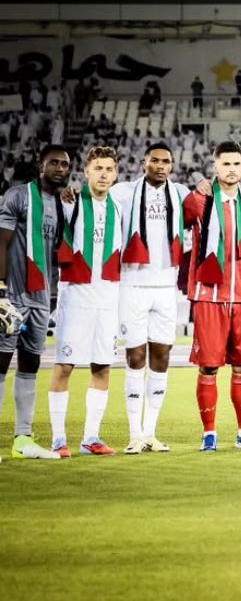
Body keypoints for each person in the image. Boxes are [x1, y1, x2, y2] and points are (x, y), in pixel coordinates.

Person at [183, 142, 241, 452]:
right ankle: (209, 434)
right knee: (209, 368)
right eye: (226, 164)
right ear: (215, 166)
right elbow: (171, 220)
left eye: (236, 164)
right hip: (210, 296)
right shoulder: (198, 200)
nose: (231, 169)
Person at [110, 143, 190, 454]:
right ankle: (134, 434)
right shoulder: (123, 192)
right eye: (154, 160)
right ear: (144, 162)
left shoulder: (181, 194)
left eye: (165, 161)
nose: (160, 166)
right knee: (135, 357)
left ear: (172, 165)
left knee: (162, 357)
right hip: (133, 285)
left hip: (166, 287)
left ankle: (150, 433)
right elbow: (95, 202)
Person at [46, 146, 122, 456]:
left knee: (102, 367)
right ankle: (58, 439)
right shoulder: (69, 203)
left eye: (109, 169)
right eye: (98, 168)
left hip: (108, 298)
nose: (103, 174)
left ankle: (91, 438)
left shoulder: (119, 208)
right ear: (86, 171)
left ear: (116, 174)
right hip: (76, 296)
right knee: (64, 365)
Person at [0, 145, 73, 460]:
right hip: (13, 295)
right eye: (53, 163)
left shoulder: (61, 205)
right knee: (1, 364)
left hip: (41, 297)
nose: (60, 169)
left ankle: (23, 439)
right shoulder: (17, 196)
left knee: (30, 365)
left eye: (65, 165)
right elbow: (1, 242)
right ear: (40, 165)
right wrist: (0, 290)